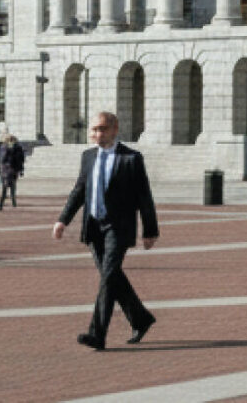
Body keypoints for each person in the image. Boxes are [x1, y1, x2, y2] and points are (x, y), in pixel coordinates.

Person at [53, 111, 158, 350]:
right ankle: (141, 319)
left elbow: (144, 197)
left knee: (108, 278)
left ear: (114, 129)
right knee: (112, 278)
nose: (97, 134)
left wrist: (150, 230)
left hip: (118, 228)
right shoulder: (88, 156)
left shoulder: (131, 158)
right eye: (94, 130)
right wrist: (63, 220)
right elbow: (79, 190)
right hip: (93, 227)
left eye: (102, 129)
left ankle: (97, 334)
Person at [0, 133, 24, 210]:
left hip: (11, 170)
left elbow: (20, 160)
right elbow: (2, 159)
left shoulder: (17, 148)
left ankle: (11, 202)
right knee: (7, 187)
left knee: (10, 187)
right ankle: (4, 203)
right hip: (7, 170)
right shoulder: (4, 147)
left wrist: (21, 169)